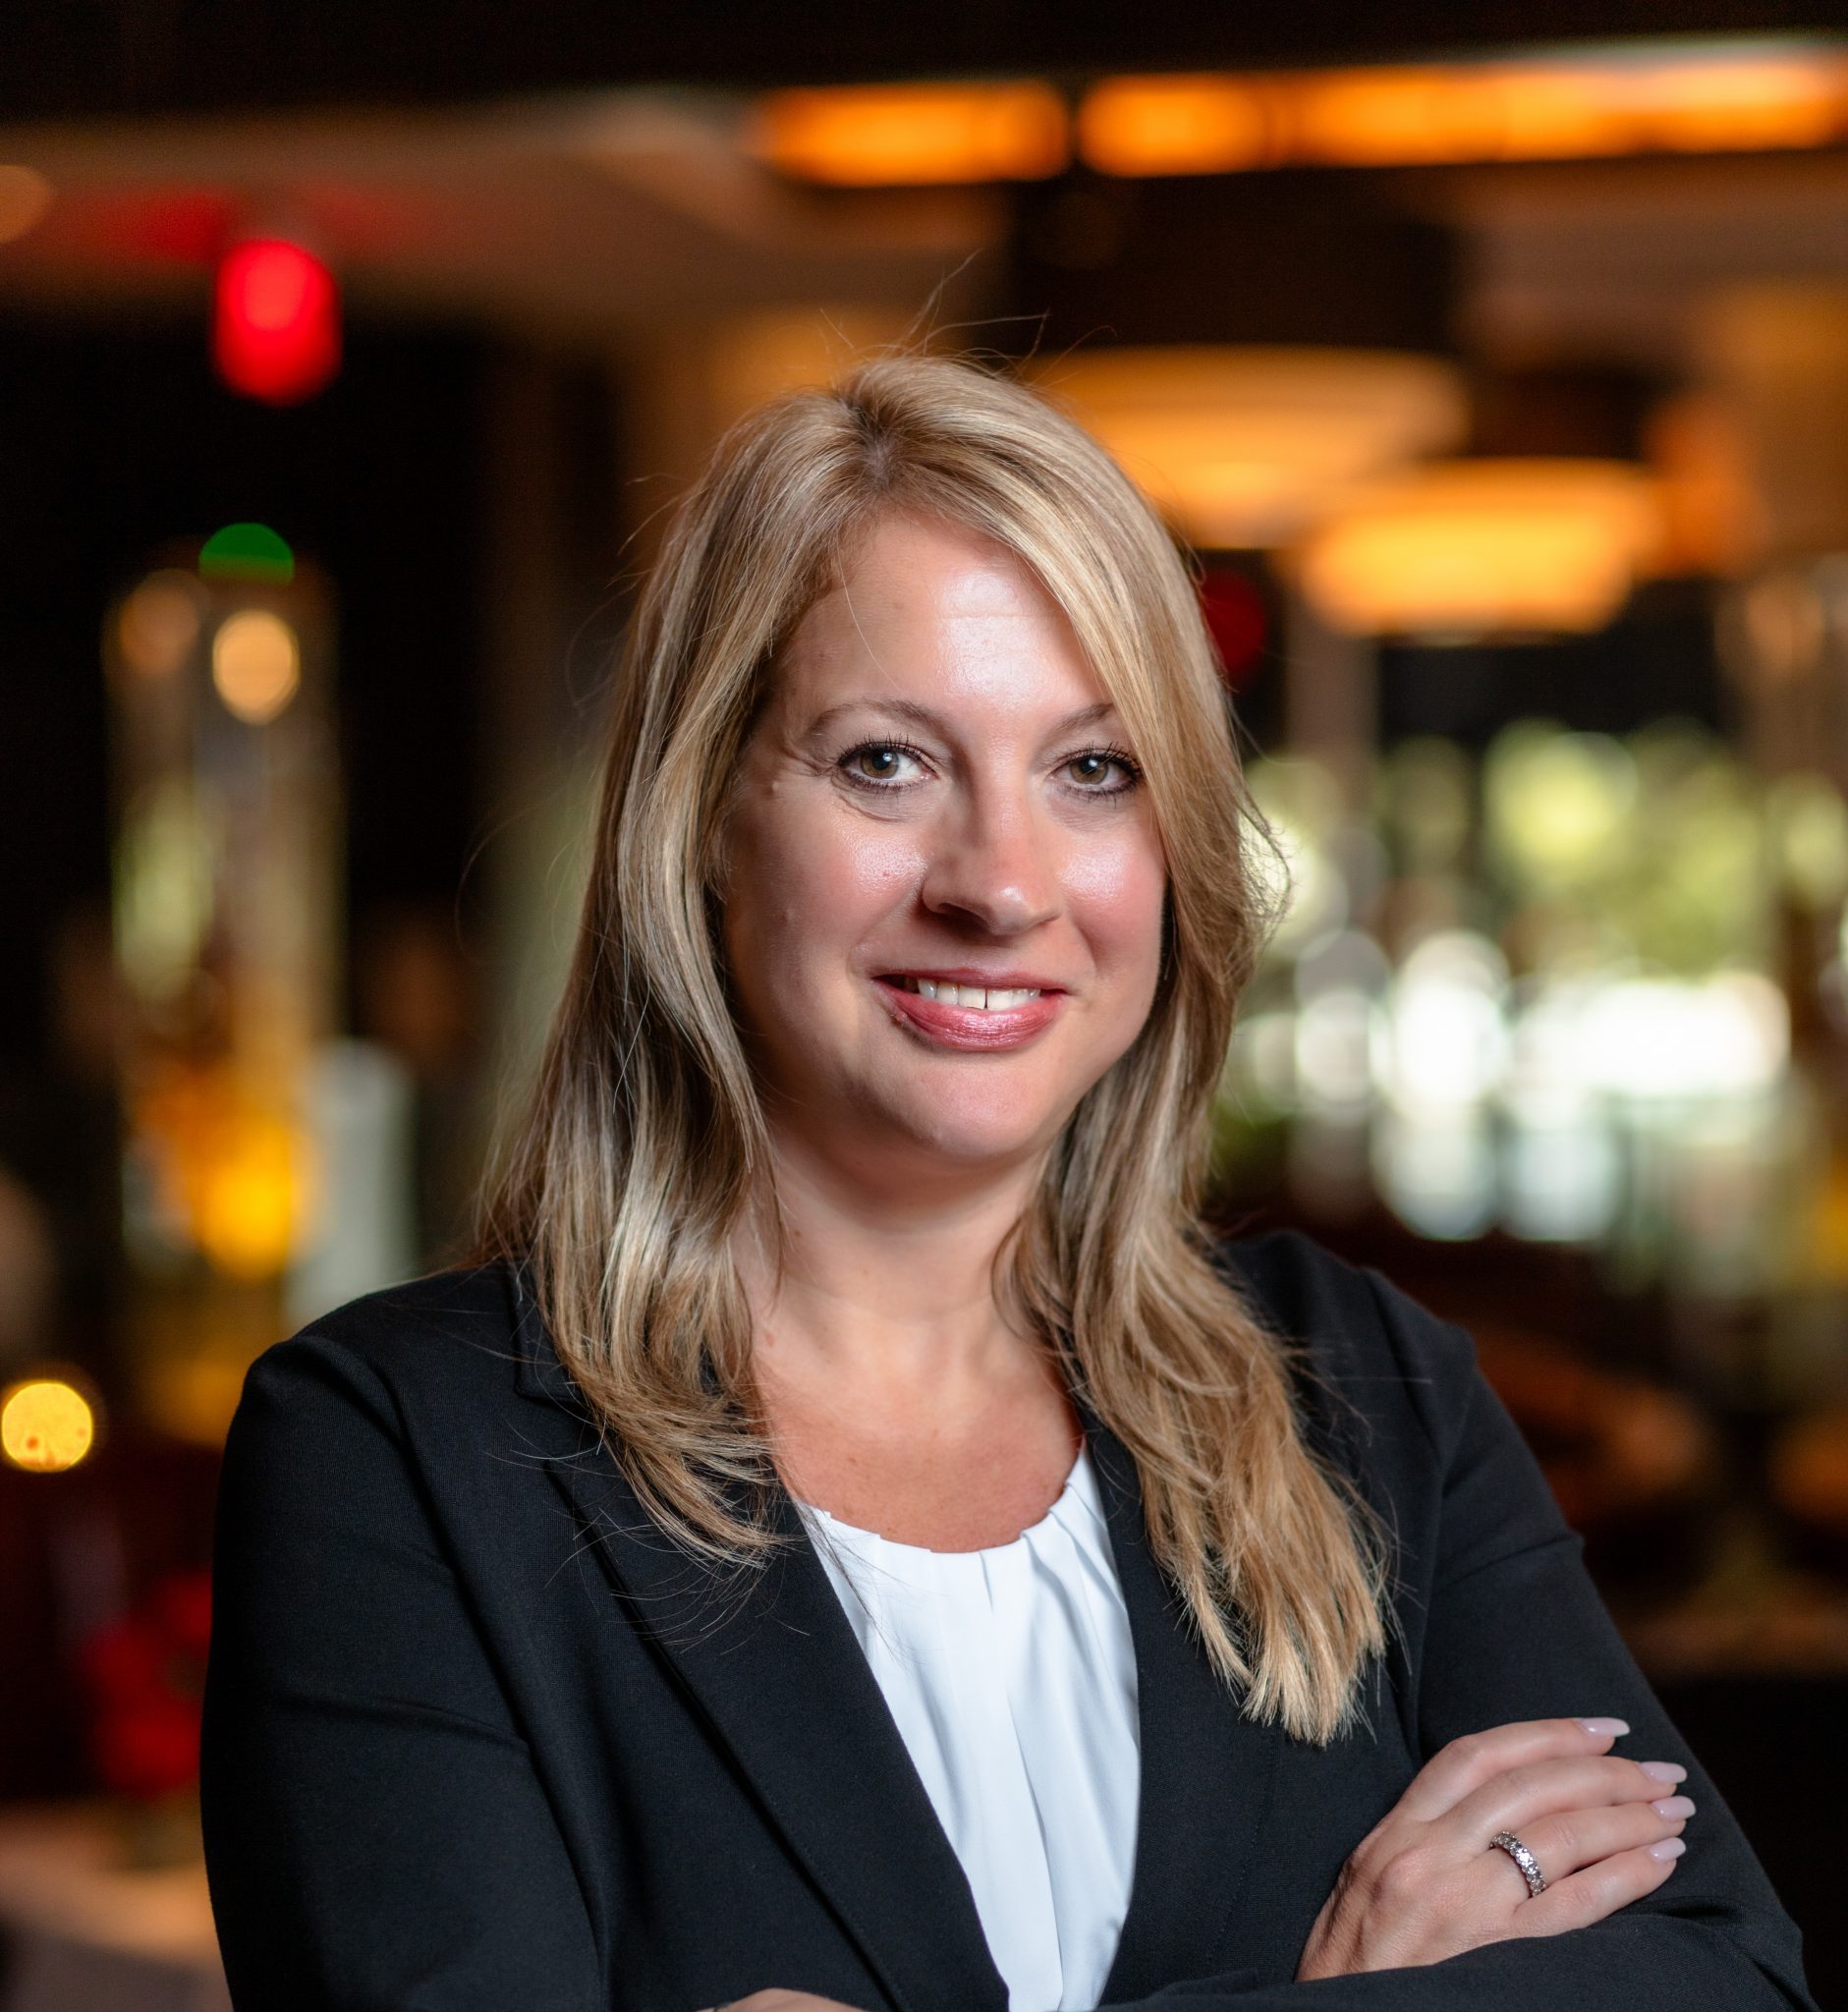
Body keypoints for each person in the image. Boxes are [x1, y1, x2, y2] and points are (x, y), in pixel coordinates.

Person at [199, 354, 1815, 2011]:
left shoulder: (1369, 1395)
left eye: (1091, 770)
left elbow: (1723, 1985)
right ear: (701, 819)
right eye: (887, 762)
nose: (1002, 884)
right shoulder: (400, 1460)